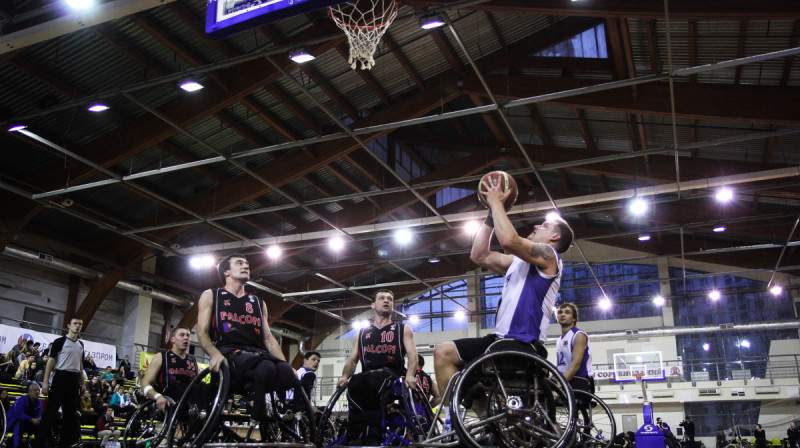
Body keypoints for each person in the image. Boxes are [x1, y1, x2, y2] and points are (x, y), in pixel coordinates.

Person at [434, 178, 574, 402]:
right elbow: (478, 256)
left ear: (555, 237)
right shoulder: (517, 262)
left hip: (521, 342)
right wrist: (490, 216)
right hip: (499, 339)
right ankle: (459, 422)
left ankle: (458, 414)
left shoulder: (550, 256)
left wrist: (496, 202)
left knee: (450, 356)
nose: (537, 226)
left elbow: (509, 240)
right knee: (443, 353)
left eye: (544, 226)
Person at [197, 254, 295, 427]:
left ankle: (294, 415)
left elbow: (268, 339)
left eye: (247, 264)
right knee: (265, 367)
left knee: (286, 372)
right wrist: (214, 354)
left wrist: (286, 364)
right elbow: (202, 333)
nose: (246, 267)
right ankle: (258, 414)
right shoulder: (212, 295)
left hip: (258, 354)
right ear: (226, 271)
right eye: (239, 263)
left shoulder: (258, 302)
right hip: (229, 351)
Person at [338, 289, 419, 445]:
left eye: (390, 298)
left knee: (376, 380)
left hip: (392, 375)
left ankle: (374, 433)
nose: (386, 300)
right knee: (354, 383)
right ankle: (356, 432)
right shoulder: (361, 333)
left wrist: (410, 374)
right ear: (373, 305)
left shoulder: (403, 329)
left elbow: (413, 355)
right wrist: (344, 377)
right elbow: (352, 360)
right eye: (382, 298)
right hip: (367, 376)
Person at [34, 315, 88, 448]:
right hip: (60, 377)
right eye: (75, 323)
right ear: (68, 325)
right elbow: (50, 362)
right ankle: (38, 443)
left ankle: (65, 444)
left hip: (73, 379)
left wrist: (83, 383)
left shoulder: (81, 344)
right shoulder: (59, 342)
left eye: (80, 324)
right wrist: (45, 382)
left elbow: (80, 365)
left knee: (69, 415)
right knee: (51, 412)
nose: (78, 326)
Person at [140, 326, 198, 411]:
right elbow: (145, 383)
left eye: (188, 336)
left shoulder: (193, 360)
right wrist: (158, 396)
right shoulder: (161, 357)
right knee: (179, 386)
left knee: (205, 387)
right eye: (182, 335)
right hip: (169, 400)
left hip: (190, 401)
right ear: (172, 340)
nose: (186, 338)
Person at [555, 303, 594, 394]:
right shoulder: (559, 340)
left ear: (574, 318)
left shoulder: (579, 335)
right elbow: (561, 366)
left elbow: (576, 365)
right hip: (566, 380)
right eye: (560, 312)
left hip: (580, 380)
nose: (562, 314)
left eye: (567, 312)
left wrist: (559, 386)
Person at [5, 383, 42, 448]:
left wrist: (39, 419)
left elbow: (38, 414)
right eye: (35, 390)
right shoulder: (22, 400)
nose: (37, 392)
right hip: (12, 422)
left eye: (38, 390)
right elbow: (19, 414)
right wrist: (32, 420)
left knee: (41, 425)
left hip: (27, 422)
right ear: (29, 392)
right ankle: (17, 445)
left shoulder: (38, 402)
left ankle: (40, 444)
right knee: (20, 422)